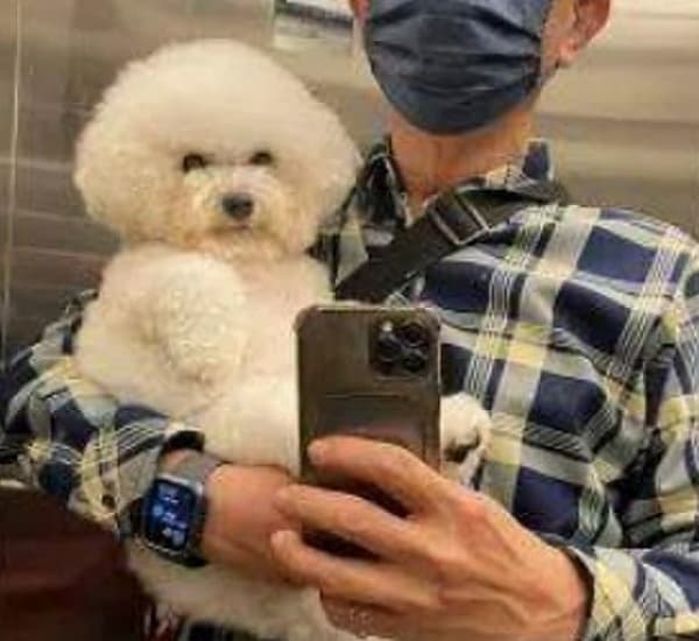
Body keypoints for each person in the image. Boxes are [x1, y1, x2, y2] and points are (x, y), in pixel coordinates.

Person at [2, 0, 698, 640]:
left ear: (580, 20)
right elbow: (29, 396)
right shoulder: (258, 211)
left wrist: (563, 600)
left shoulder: (658, 278)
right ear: (363, 8)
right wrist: (188, 490)